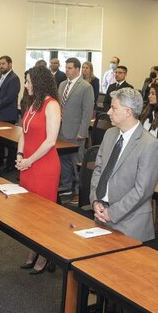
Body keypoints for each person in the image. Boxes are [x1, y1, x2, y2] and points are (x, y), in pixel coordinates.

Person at [90, 87, 158, 242]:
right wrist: (95, 200)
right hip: (101, 215)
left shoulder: (149, 145)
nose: (109, 112)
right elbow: (98, 170)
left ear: (128, 112)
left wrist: (113, 212)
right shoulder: (110, 134)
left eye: (114, 108)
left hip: (130, 224)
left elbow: (142, 191)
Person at [16, 66, 61, 274]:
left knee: (43, 215)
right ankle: (33, 250)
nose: (25, 85)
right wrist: (19, 156)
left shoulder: (51, 105)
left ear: (38, 81)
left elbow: (50, 141)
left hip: (44, 166)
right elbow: (23, 132)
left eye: (28, 81)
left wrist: (29, 160)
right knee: (29, 213)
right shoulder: (32, 104)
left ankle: (44, 255)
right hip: (28, 163)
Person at [58, 58, 94, 205]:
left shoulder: (85, 87)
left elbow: (87, 112)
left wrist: (83, 131)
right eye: (66, 67)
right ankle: (66, 186)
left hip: (76, 132)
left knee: (77, 162)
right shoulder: (62, 85)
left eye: (70, 68)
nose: (66, 70)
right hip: (61, 131)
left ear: (77, 69)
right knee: (64, 161)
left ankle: (80, 192)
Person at [0, 55, 21, 172]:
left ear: (10, 64)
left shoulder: (14, 78)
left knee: (9, 142)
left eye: (3, 64)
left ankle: (10, 165)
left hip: (7, 115)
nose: (1, 66)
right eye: (0, 64)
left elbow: (9, 98)